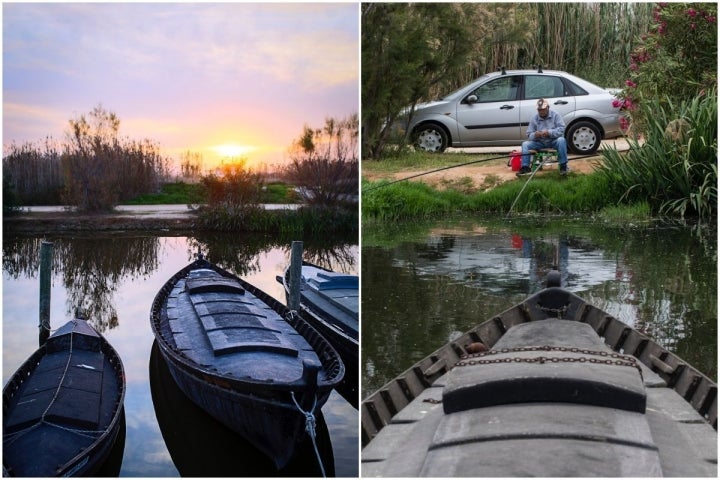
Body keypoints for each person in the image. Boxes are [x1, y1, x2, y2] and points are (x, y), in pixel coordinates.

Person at [518, 98, 568, 175]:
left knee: (561, 140)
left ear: (548, 107)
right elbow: (529, 134)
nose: (541, 111)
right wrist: (535, 135)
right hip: (539, 142)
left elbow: (562, 129)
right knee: (525, 144)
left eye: (543, 109)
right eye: (539, 110)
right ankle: (525, 167)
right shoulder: (534, 118)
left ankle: (563, 166)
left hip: (553, 141)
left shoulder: (556, 115)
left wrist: (549, 132)